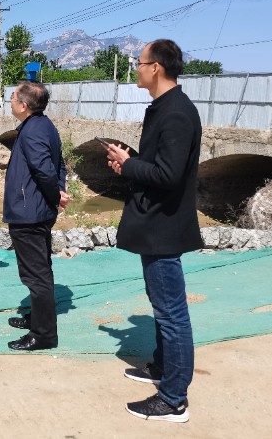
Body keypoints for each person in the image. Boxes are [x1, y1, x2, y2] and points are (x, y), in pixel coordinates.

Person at [105, 39, 203, 423]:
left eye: (140, 62)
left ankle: (174, 399)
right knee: (162, 306)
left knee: (172, 314)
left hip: (164, 226)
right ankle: (162, 367)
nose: (136, 67)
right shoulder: (164, 107)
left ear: (156, 67)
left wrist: (130, 165)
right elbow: (159, 165)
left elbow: (168, 175)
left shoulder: (177, 112)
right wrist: (129, 162)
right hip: (155, 223)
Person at [3, 81, 70, 351]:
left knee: (35, 275)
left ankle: (43, 335)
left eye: (13, 97)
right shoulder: (43, 125)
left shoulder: (32, 131)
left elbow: (44, 170)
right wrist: (60, 190)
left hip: (29, 213)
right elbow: (59, 163)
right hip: (37, 209)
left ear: (23, 105)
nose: (10, 100)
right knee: (40, 269)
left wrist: (55, 195)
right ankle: (38, 317)